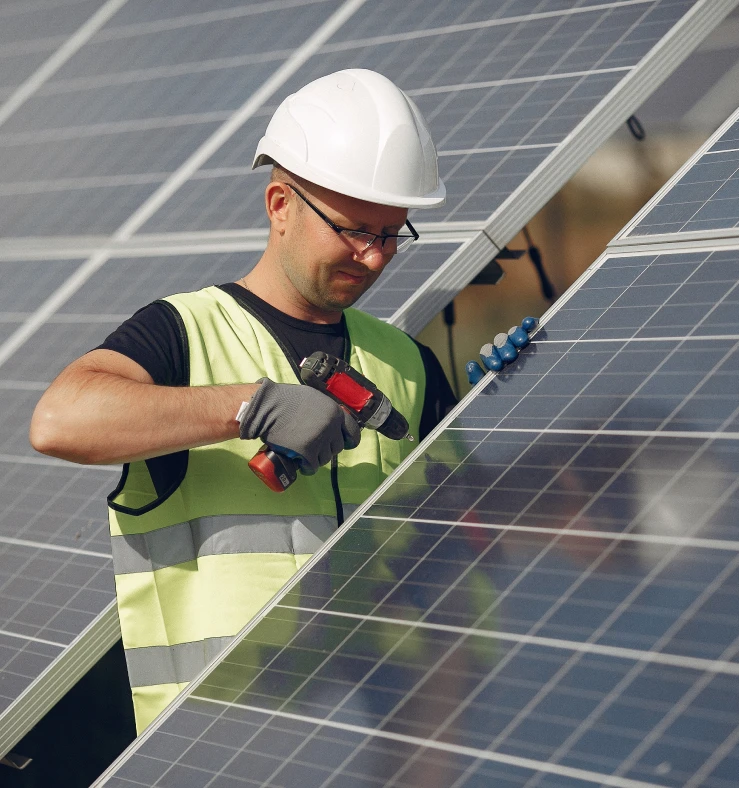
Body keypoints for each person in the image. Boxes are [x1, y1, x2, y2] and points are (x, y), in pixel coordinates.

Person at [29, 69, 457, 733]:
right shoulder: (185, 333)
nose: (372, 258)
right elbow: (59, 420)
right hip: (211, 747)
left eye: (391, 234)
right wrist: (249, 407)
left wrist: (513, 397)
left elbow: (467, 544)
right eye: (351, 230)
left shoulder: (410, 365)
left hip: (368, 740)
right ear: (280, 204)